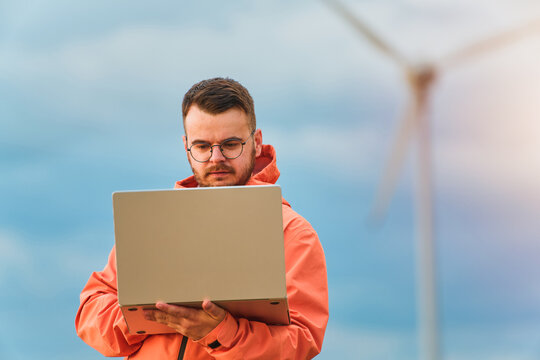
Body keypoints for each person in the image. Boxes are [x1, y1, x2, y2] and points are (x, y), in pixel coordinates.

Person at [75, 77, 329, 359]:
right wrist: (146, 316)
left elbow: (302, 342)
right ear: (186, 146)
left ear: (256, 143)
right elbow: (90, 311)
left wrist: (220, 332)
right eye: (202, 146)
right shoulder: (155, 223)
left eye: (231, 144)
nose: (216, 157)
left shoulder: (293, 233)